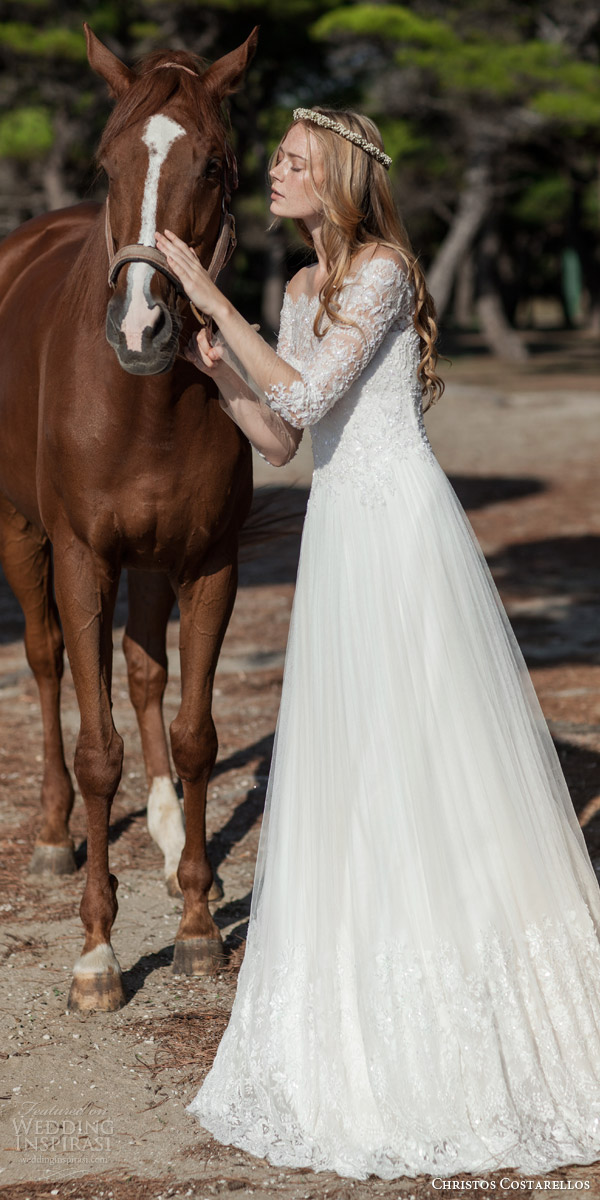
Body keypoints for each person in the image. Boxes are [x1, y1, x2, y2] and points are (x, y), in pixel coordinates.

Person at [155, 108, 600, 1182]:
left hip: (402, 535)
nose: (275, 171)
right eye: (278, 159)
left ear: (342, 177)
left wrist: (211, 293)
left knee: (426, 753)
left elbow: (309, 390)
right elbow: (284, 434)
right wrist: (220, 372)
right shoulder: (303, 291)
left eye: (295, 162)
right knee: (355, 769)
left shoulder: (387, 270)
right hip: (340, 539)